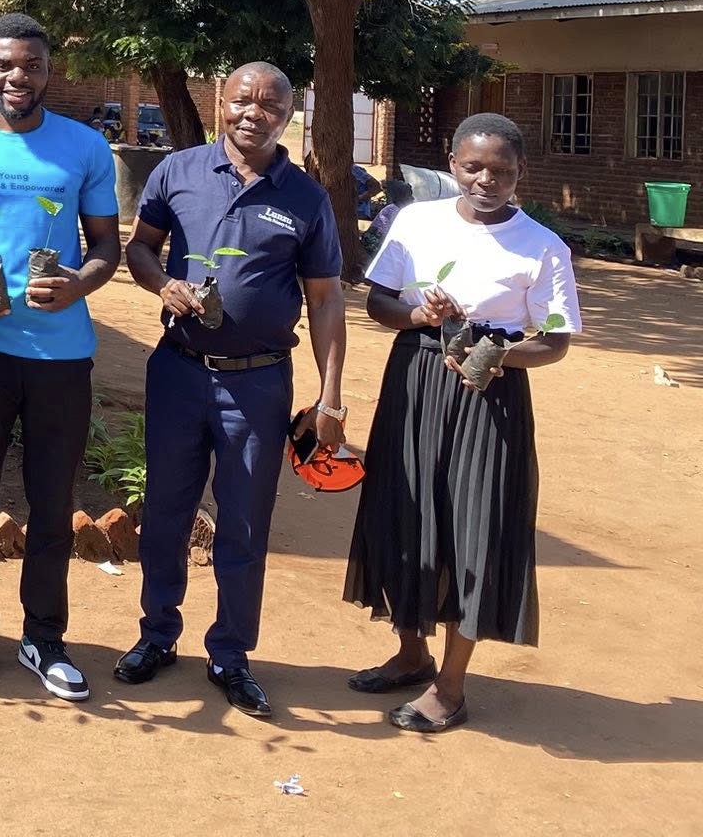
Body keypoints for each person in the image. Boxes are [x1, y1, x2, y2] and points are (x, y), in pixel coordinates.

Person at [115, 61, 347, 717]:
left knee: (244, 522)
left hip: (260, 384)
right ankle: (157, 634)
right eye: (241, 100)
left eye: (269, 105)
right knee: (164, 512)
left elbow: (326, 301)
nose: (252, 113)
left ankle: (230, 654)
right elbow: (140, 249)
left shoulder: (304, 196)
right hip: (179, 372)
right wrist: (164, 284)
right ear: (220, 100)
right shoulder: (177, 172)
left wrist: (330, 398)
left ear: (287, 114)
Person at [343, 114, 580, 733]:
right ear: (452, 164)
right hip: (415, 383)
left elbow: (553, 343)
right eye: (474, 166)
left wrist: (496, 355)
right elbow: (378, 304)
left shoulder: (542, 246)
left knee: (471, 529)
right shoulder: (416, 222)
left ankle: (450, 687)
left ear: (520, 173)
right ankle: (411, 653)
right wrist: (420, 313)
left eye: (501, 170)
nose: (486, 180)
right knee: (407, 512)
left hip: (487, 396)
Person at [0, 14, 121, 697]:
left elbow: (105, 248)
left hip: (61, 353)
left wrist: (78, 285)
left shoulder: (86, 147)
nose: (18, 78)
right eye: (4, 65)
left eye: (31, 65)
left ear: (47, 71)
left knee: (52, 497)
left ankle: (45, 638)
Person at [363, 178, 414, 256]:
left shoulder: (394, 209)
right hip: (377, 245)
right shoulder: (393, 211)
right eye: (409, 196)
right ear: (401, 197)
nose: (412, 199)